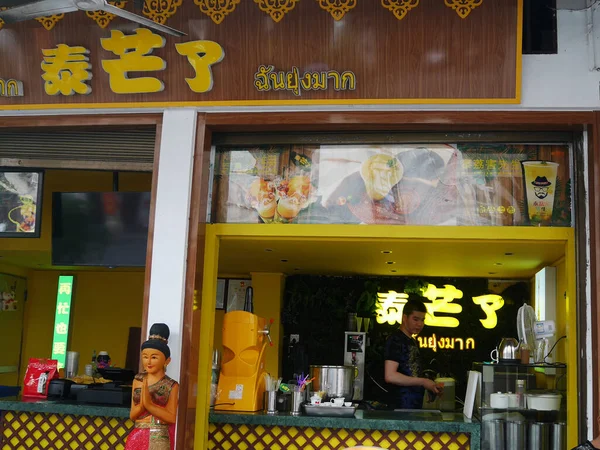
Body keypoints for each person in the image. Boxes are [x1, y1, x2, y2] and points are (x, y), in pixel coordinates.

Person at [125, 323, 179, 450]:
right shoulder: (138, 380)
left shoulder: (171, 385)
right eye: (145, 357)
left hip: (159, 436)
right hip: (138, 433)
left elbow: (171, 417)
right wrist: (142, 405)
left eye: (154, 357)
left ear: (167, 361)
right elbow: (133, 415)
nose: (148, 362)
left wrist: (149, 405)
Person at [384, 297, 442, 409]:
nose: (420, 324)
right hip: (399, 406)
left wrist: (429, 387)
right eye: (415, 319)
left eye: (422, 320)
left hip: (412, 405)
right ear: (404, 318)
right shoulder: (396, 340)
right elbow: (390, 376)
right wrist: (424, 382)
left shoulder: (411, 340)